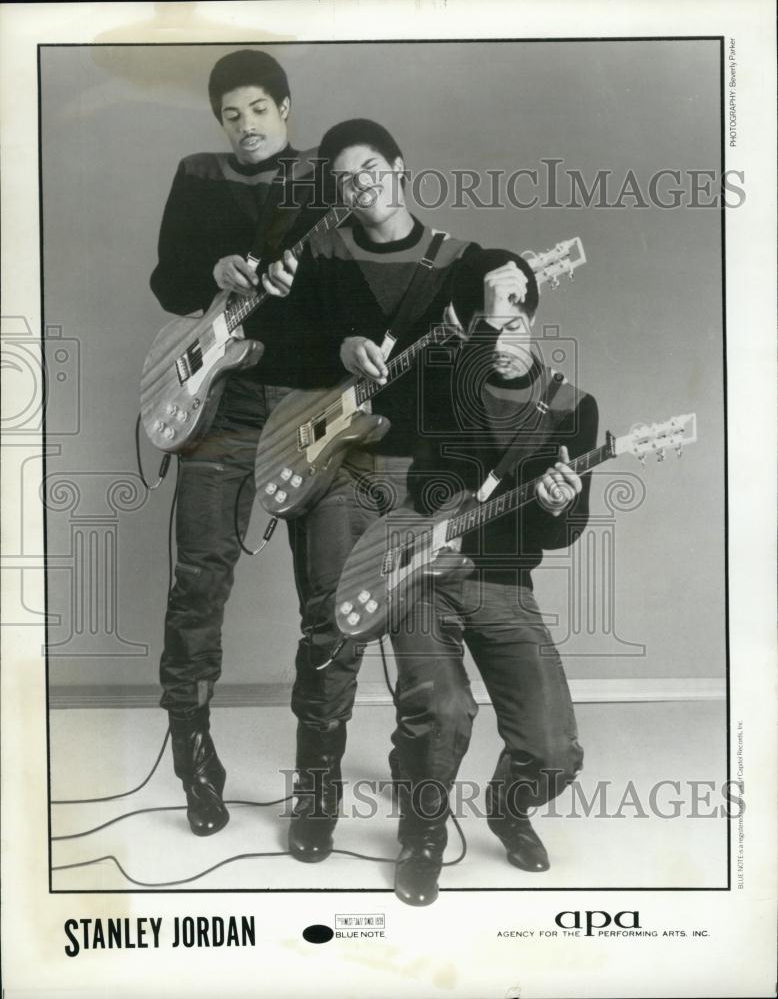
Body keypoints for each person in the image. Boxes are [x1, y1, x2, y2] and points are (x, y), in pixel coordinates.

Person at [248, 118, 486, 863]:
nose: (361, 188)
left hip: (420, 480)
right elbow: (271, 352)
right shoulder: (318, 253)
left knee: (427, 652)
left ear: (400, 167)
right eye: (345, 180)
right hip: (337, 468)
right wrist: (338, 347)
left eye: (371, 171)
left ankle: (422, 812)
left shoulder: (460, 262)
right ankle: (316, 788)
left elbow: (482, 378)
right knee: (329, 631)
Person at [386, 248, 599, 905]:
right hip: (421, 573)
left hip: (504, 583)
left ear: (535, 321)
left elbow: (561, 531)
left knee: (555, 749)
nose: (502, 339)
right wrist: (481, 324)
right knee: (444, 711)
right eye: (491, 325)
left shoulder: (571, 408)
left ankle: (508, 807)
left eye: (514, 324)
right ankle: (422, 830)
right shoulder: (448, 380)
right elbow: (406, 418)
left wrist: (560, 506)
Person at [149, 49, 327, 837]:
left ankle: (318, 777)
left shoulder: (325, 182)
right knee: (197, 586)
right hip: (217, 406)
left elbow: (353, 293)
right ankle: (193, 756)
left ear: (284, 109)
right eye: (231, 114)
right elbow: (168, 282)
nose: (245, 125)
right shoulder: (197, 174)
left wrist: (308, 285)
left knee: (329, 595)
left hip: (304, 408)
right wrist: (209, 267)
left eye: (258, 108)